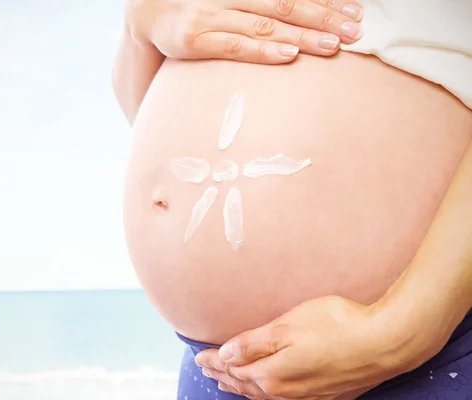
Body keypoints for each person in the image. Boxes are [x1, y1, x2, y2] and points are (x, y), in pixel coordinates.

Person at [112, 0, 472, 398]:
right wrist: (139, 25)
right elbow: (145, 109)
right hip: (217, 367)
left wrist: (404, 332)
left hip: (424, 349)